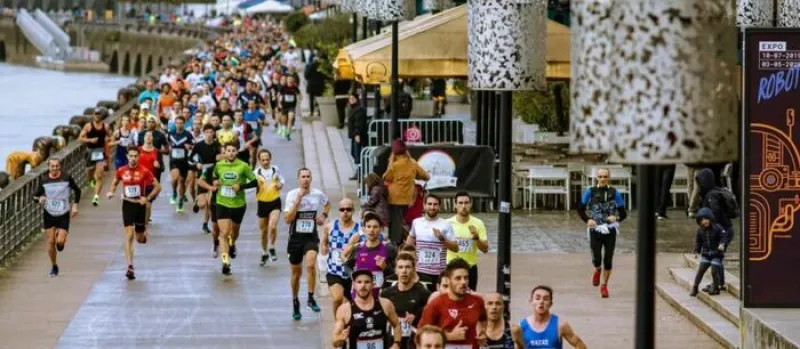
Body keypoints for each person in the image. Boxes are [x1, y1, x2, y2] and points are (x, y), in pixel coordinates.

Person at [106, 146, 161, 280]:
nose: (133, 158)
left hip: (140, 206)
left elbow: (158, 187)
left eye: (135, 156)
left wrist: (147, 198)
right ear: (127, 157)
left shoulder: (144, 171)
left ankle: (143, 234)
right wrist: (111, 191)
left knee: (139, 239)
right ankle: (130, 266)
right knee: (129, 234)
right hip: (127, 204)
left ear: (138, 157)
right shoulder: (121, 170)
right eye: (130, 156)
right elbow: (114, 183)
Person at [284, 167, 330, 320]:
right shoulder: (291, 195)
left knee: (310, 265)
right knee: (296, 273)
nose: (305, 179)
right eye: (302, 176)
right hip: (295, 238)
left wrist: (323, 215)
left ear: (311, 179)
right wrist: (298, 200)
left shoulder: (317, 194)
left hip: (311, 236)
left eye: (308, 176)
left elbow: (327, 203)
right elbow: (287, 219)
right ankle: (295, 301)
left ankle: (310, 298)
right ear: (298, 179)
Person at [576, 167, 626, 298]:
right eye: (600, 176)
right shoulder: (590, 191)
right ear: (596, 178)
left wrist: (617, 218)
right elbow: (580, 208)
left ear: (609, 178)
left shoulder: (615, 192)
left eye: (605, 176)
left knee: (608, 259)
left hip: (610, 230)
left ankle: (604, 286)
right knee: (597, 258)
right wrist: (588, 220)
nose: (603, 179)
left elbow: (623, 213)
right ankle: (597, 269)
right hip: (595, 229)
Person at [418, 258, 487, 349]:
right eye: (458, 278)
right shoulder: (435, 304)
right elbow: (420, 335)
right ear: (448, 280)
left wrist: (482, 333)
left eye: (466, 278)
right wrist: (449, 336)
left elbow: (483, 320)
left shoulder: (477, 302)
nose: (463, 282)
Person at [212, 141, 258, 275]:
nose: (231, 153)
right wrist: (215, 182)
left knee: (234, 233)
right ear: (224, 152)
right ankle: (225, 263)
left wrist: (241, 187)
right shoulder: (219, 165)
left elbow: (255, 182)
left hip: (238, 204)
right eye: (228, 150)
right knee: (224, 234)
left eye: (233, 150)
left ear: (237, 152)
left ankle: (232, 244)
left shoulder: (243, 166)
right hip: (222, 203)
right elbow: (215, 177)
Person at [331, 269, 403, 349]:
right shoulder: (344, 309)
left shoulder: (385, 304)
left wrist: (397, 344)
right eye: (359, 282)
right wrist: (339, 339)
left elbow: (397, 325)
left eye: (367, 282)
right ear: (354, 285)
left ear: (373, 284)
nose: (363, 286)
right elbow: (335, 340)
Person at [33, 158, 81, 277]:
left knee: (59, 242)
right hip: (49, 213)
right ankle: (54, 266)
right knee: (51, 242)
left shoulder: (66, 178)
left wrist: (75, 206)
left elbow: (78, 191)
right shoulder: (44, 180)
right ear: (48, 167)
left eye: (56, 166)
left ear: (60, 166)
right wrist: (40, 199)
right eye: (52, 166)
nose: (54, 168)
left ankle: (61, 242)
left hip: (63, 213)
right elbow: (34, 196)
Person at [696, 168, 737, 292]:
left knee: (717, 258)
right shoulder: (715, 192)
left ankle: (717, 284)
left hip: (722, 232)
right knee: (717, 257)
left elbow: (715, 213)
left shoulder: (711, 196)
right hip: (726, 229)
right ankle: (719, 283)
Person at [406, 194, 457, 292]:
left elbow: (455, 248)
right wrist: (406, 254)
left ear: (439, 206)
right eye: (429, 204)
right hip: (419, 271)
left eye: (435, 204)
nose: (432, 207)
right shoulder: (416, 222)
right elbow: (411, 238)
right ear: (424, 205)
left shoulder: (446, 224)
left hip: (439, 273)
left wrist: (442, 238)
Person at [381, 252, 432, 349]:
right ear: (395, 270)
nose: (404, 271)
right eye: (400, 267)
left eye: (408, 267)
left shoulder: (424, 294)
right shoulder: (386, 294)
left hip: (414, 343)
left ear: (414, 270)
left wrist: (417, 318)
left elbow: (431, 320)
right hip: (392, 343)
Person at [385, 139, 430, 245]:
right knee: (405, 221)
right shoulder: (412, 163)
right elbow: (425, 176)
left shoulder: (394, 165)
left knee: (396, 223)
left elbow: (386, 177)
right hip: (408, 199)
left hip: (394, 198)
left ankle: (396, 244)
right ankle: (406, 241)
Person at [512, 285, 586, 349]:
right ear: (531, 301)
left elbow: (579, 344)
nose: (541, 302)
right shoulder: (521, 327)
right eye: (537, 298)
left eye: (546, 299)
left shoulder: (560, 325)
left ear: (551, 303)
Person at [321, 198, 360, 318]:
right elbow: (324, 242)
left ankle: (349, 324)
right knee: (337, 298)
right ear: (338, 211)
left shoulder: (359, 230)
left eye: (348, 209)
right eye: (342, 209)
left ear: (353, 211)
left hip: (351, 273)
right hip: (334, 271)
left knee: (354, 304)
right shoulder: (330, 226)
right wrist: (324, 248)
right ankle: (338, 322)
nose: (345, 212)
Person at [344, 212, 398, 299]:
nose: (371, 230)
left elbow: (397, 273)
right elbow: (347, 265)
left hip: (381, 297)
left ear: (381, 229)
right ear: (364, 229)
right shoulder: (358, 248)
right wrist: (353, 275)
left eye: (375, 227)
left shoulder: (389, 248)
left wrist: (385, 268)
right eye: (368, 226)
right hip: (359, 297)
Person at [448, 192, 489, 291]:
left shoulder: (478, 223)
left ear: (471, 204)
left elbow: (485, 249)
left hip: (470, 267)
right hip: (451, 267)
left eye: (466, 203)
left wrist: (476, 238)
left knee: (470, 297)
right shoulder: (447, 223)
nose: (463, 206)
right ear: (455, 205)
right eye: (460, 203)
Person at [189, 124, 222, 233]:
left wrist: (220, 159)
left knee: (209, 201)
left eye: (211, 132)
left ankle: (205, 224)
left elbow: (222, 158)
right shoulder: (198, 145)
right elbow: (189, 159)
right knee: (203, 204)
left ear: (214, 134)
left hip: (214, 175)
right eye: (207, 132)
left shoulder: (218, 145)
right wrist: (196, 164)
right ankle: (197, 202)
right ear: (204, 134)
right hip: (202, 175)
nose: (209, 134)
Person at [254, 149, 285, 264]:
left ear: (270, 159)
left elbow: (282, 179)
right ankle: (264, 252)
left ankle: (271, 247)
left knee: (272, 226)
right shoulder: (255, 173)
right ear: (259, 160)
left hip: (274, 201)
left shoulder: (275, 169)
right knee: (263, 232)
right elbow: (250, 185)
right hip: (262, 203)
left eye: (267, 159)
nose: (265, 162)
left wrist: (280, 184)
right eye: (263, 160)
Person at [690, 208, 728, 296]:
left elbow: (724, 236)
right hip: (706, 254)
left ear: (710, 218)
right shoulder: (699, 230)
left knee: (714, 271)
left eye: (706, 219)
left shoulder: (717, 227)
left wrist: (722, 244)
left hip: (717, 254)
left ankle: (716, 287)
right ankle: (695, 287)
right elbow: (698, 241)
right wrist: (696, 250)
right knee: (700, 271)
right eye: (702, 220)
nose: (705, 221)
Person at [79, 107, 109, 206]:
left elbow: (110, 135)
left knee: (100, 175)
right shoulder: (88, 126)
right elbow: (80, 138)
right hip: (90, 151)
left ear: (101, 115)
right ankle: (91, 179)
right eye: (96, 114)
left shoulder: (106, 126)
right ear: (93, 115)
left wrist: (108, 140)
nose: (97, 116)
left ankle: (96, 197)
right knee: (89, 171)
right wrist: (90, 140)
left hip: (99, 151)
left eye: (99, 114)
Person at [168, 116, 194, 213]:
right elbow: (167, 144)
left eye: (181, 123)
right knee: (175, 178)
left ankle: (180, 201)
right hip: (173, 160)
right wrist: (169, 148)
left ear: (184, 124)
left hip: (183, 161)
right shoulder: (171, 133)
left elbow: (193, 145)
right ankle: (174, 192)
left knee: (182, 182)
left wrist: (189, 147)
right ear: (175, 124)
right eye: (177, 123)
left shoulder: (188, 134)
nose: (179, 124)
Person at [347, 93, 367, 180]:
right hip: (354, 135)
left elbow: (359, 123)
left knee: (357, 153)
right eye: (350, 98)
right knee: (354, 153)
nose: (351, 100)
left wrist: (357, 134)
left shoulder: (359, 110)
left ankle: (360, 171)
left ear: (357, 99)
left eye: (353, 98)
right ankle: (360, 170)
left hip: (358, 135)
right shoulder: (353, 109)